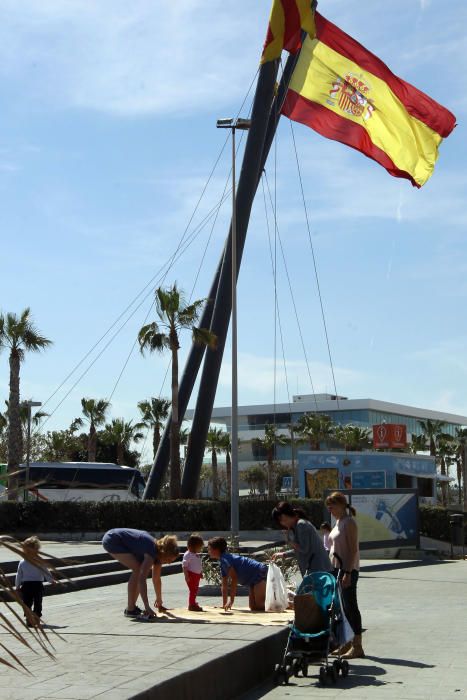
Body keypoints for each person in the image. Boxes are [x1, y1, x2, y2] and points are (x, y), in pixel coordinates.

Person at [102, 528, 179, 619]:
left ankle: (131, 608)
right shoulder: (151, 550)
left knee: (138, 570)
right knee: (138, 570)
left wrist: (159, 600)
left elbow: (156, 579)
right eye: (169, 560)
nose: (169, 563)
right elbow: (142, 580)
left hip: (122, 540)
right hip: (113, 539)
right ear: (164, 553)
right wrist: (147, 606)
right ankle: (131, 609)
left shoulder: (158, 555)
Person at [326, 491, 364, 658]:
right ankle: (347, 642)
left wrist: (347, 572)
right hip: (336, 569)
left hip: (347, 569)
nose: (330, 509)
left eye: (332, 505)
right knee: (342, 608)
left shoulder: (349, 523)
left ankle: (357, 645)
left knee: (350, 607)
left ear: (341, 505)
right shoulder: (338, 522)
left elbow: (352, 549)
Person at [271, 501, 332, 576]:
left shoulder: (301, 525)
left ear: (289, 514)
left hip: (318, 570)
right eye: (280, 521)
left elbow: (304, 549)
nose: (283, 523)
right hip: (317, 570)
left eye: (283, 519)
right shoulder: (297, 526)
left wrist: (289, 541)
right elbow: (300, 549)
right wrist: (284, 554)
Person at [207, 537, 268, 611]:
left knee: (260, 606)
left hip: (259, 572)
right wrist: (224, 604)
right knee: (253, 607)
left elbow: (234, 578)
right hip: (251, 578)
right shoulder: (222, 562)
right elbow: (224, 584)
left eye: (209, 549)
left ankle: (283, 603)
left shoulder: (225, 559)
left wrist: (231, 601)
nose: (208, 551)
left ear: (216, 550)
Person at [16, 536, 55, 626]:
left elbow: (19, 575)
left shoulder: (22, 562)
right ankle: (36, 617)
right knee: (37, 602)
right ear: (37, 550)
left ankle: (29, 618)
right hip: (37, 586)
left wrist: (17, 586)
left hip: (26, 586)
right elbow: (46, 572)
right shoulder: (38, 561)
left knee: (27, 603)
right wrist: (51, 580)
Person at [183, 533, 204, 612]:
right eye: (200, 547)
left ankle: (193, 602)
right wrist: (186, 575)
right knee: (193, 590)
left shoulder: (195, 554)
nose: (200, 549)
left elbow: (197, 564)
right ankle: (191, 605)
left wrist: (200, 572)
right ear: (195, 546)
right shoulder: (188, 554)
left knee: (195, 590)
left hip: (196, 575)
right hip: (191, 575)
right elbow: (184, 566)